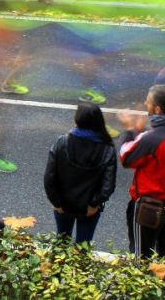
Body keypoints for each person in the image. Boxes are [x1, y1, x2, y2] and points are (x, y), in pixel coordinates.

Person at [118, 85, 165, 268]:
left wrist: (130, 131)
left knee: (141, 254)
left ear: (157, 109)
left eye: (148, 101)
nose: (145, 103)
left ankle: (140, 288)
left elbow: (126, 158)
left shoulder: (152, 138)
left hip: (148, 203)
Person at [43, 103, 117, 244]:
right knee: (83, 246)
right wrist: (93, 204)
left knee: (61, 242)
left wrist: (56, 202)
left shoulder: (62, 142)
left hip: (63, 205)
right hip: (89, 209)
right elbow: (108, 186)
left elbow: (49, 177)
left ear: (78, 120)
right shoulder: (107, 148)